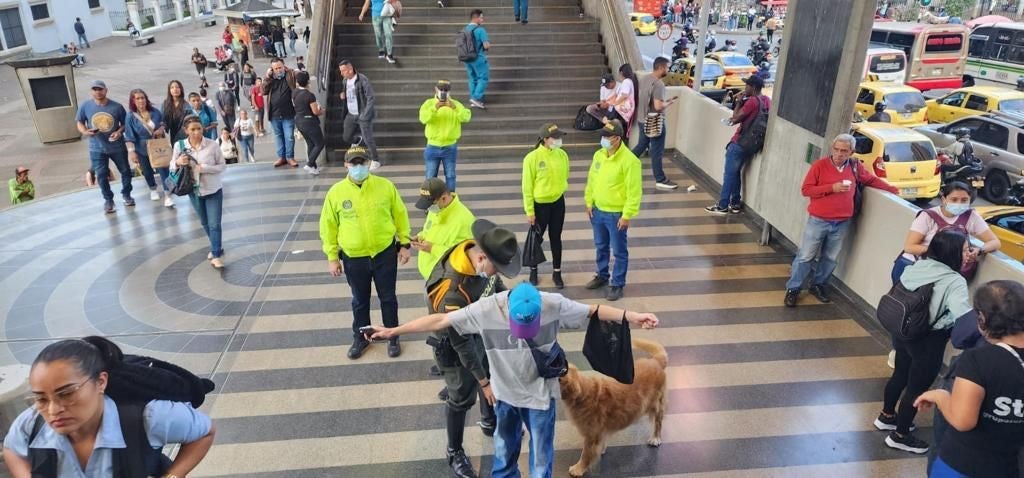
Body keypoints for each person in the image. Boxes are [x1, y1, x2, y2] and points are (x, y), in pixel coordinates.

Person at [365, 282, 659, 478]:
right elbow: (440, 320)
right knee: (503, 459)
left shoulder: (552, 304)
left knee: (541, 463)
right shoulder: (487, 309)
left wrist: (632, 315)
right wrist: (393, 331)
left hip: (540, 399)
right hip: (505, 396)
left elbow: (593, 311)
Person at [2, 336, 215, 477]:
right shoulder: (31, 423)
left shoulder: (148, 417)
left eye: (66, 394)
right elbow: (12, 448)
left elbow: (204, 433)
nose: (52, 410)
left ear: (101, 382)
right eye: (41, 398)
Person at [419, 219, 516, 477]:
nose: (496, 274)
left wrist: (510, 304)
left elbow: (494, 287)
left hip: (479, 331)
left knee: (488, 370)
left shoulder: (474, 254)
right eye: (497, 268)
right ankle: (454, 451)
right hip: (453, 345)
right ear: (483, 257)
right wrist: (482, 383)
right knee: (461, 396)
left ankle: (488, 419)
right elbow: (460, 342)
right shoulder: (452, 290)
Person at [875, 231, 974, 455]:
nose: (968, 253)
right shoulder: (954, 281)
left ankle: (887, 416)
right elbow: (962, 314)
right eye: (965, 249)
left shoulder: (918, 266)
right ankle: (900, 436)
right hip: (929, 340)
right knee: (917, 387)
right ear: (953, 252)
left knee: (900, 374)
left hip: (904, 330)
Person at [915, 281, 1024, 477]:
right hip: (1009, 467)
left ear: (982, 319)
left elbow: (963, 420)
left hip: (963, 465)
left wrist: (940, 396)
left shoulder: (977, 360)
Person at [783, 134, 899, 307]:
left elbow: (870, 179)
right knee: (806, 256)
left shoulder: (854, 167)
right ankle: (793, 288)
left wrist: (891, 189)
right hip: (818, 220)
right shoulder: (820, 166)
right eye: (836, 150)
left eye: (844, 151)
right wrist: (832, 188)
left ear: (851, 152)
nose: (839, 154)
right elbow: (806, 190)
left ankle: (818, 285)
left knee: (830, 258)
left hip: (842, 222)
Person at [319, 146, 411, 359]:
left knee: (388, 297)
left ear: (369, 163)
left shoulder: (385, 187)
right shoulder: (336, 193)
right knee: (360, 300)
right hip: (354, 257)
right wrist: (332, 257)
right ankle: (361, 337)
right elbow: (328, 226)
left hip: (384, 253)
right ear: (346, 165)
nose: (358, 167)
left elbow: (400, 215)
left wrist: (404, 244)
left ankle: (392, 335)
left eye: (362, 163)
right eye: (354, 163)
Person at [892, 181, 1000, 284]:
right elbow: (909, 247)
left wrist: (979, 250)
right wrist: (944, 253)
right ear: (944, 199)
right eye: (954, 199)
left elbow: (995, 242)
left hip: (945, 273)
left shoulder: (971, 216)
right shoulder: (928, 216)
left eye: (964, 200)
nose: (959, 203)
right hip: (916, 267)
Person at [584, 120, 642, 301]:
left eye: (607, 137)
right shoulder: (599, 155)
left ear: (617, 138)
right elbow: (592, 180)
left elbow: (634, 191)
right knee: (601, 246)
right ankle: (602, 275)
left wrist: (627, 215)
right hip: (597, 211)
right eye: (602, 136)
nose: (603, 139)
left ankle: (617, 284)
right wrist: (589, 201)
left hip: (616, 215)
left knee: (619, 251)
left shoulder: (630, 161)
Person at [705, 75, 771, 215]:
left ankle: (722, 205)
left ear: (753, 87)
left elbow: (734, 119)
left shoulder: (752, 101)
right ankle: (735, 203)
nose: (745, 88)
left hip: (739, 143)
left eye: (747, 85)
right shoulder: (766, 101)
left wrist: (739, 103)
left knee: (729, 174)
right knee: (735, 173)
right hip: (752, 145)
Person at [172, 115, 228, 268]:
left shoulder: (213, 145)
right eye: (192, 130)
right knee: (204, 222)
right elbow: (172, 167)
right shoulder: (180, 146)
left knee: (214, 223)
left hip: (213, 189)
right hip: (194, 191)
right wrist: (178, 162)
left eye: (198, 128)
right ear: (186, 131)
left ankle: (216, 254)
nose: (196, 132)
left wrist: (204, 168)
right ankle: (217, 246)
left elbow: (222, 166)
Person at [523, 123, 569, 289]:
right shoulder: (532, 158)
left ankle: (557, 272)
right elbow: (527, 187)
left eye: (559, 137)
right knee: (537, 239)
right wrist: (530, 211)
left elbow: (565, 175)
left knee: (556, 238)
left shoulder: (562, 155)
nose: (558, 140)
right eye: (555, 138)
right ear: (545, 139)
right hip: (539, 205)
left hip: (558, 203)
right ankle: (533, 269)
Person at [76, 80, 133, 214]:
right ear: (91, 91)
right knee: (101, 175)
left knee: (125, 171)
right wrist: (85, 131)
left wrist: (119, 132)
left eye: (100, 89)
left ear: (106, 90)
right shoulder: (85, 106)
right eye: (95, 89)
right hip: (96, 147)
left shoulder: (117, 107)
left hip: (116, 146)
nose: (98, 92)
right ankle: (108, 200)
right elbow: (79, 122)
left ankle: (126, 194)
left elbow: (125, 124)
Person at [413, 178, 476, 280]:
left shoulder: (464, 221)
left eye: (431, 205)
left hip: (446, 281)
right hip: (431, 276)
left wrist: (432, 248)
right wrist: (421, 236)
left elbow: (462, 256)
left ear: (444, 198)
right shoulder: (436, 210)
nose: (428, 209)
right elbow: (429, 230)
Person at [632, 56, 679, 190]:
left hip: (642, 119)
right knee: (657, 151)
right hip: (654, 121)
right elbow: (658, 106)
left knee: (641, 145)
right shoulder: (659, 84)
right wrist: (669, 102)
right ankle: (660, 179)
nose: (668, 70)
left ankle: (623, 163)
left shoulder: (645, 79)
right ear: (661, 68)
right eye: (667, 67)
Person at [420, 80, 471, 191]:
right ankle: (429, 200)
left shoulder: (456, 104)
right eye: (441, 89)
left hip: (450, 147)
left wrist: (454, 108)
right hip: (432, 146)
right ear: (436, 89)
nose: (443, 92)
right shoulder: (429, 103)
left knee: (451, 175)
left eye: (446, 90)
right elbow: (423, 119)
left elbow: (466, 117)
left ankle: (451, 200)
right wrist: (435, 107)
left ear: (449, 91)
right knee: (430, 176)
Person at [124, 88, 169, 203]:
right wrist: (131, 151)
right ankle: (153, 189)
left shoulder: (155, 111)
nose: (141, 100)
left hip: (157, 144)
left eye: (142, 98)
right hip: (141, 147)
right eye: (137, 98)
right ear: (133, 101)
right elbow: (129, 135)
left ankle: (167, 192)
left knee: (163, 167)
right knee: (147, 170)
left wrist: (161, 129)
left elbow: (164, 123)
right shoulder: (131, 117)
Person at [338, 60, 381, 168]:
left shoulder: (362, 79)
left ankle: (375, 160)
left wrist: (365, 114)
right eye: (341, 71)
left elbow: (371, 97)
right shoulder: (344, 81)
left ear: (350, 69)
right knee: (346, 137)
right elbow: (348, 94)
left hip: (362, 114)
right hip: (350, 114)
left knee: (368, 139)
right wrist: (343, 96)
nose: (341, 73)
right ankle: (356, 140)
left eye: (343, 70)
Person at [263, 58, 299, 168]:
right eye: (275, 68)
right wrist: (268, 77)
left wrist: (295, 71)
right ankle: (281, 157)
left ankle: (289, 157)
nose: (278, 70)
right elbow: (263, 90)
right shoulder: (270, 79)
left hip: (288, 113)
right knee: (278, 136)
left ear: (284, 66)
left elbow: (300, 75)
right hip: (274, 114)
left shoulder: (290, 74)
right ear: (271, 69)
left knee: (289, 137)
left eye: (280, 67)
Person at [293, 71, 325, 175]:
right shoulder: (310, 95)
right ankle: (310, 164)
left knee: (310, 143)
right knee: (320, 144)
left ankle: (313, 168)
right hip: (310, 122)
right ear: (308, 81)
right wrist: (322, 111)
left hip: (299, 121)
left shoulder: (294, 92)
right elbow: (315, 111)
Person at [464, 10, 491, 109]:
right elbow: (486, 45)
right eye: (481, 17)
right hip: (478, 58)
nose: (482, 19)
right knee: (483, 78)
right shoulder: (480, 30)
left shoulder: (465, 29)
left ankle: (473, 99)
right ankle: (476, 98)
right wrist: (488, 46)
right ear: (476, 18)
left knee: (472, 78)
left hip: (467, 58)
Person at [611, 64, 638, 138]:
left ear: (622, 73)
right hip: (623, 110)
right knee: (617, 127)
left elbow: (624, 95)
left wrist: (615, 103)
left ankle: (616, 142)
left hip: (621, 110)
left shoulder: (626, 81)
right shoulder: (630, 81)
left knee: (614, 127)